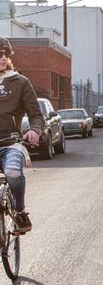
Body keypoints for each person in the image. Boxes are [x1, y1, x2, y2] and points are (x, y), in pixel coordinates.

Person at [0, 36, 44, 233]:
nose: (2, 58)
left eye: (5, 54)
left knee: (12, 172)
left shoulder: (20, 82)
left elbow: (36, 115)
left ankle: (19, 212)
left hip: (11, 144)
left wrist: (34, 130)